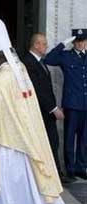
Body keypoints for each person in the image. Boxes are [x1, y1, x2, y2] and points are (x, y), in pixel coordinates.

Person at [0, 19, 71, 204]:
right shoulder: (19, 69)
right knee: (29, 183)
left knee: (8, 183)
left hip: (6, 142)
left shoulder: (2, 79)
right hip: (26, 137)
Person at [22, 33, 73, 184]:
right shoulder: (28, 62)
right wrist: (53, 109)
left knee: (53, 142)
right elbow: (37, 89)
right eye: (44, 44)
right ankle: (53, 175)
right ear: (36, 45)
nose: (46, 46)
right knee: (49, 143)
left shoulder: (39, 61)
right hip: (40, 112)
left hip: (46, 112)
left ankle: (55, 174)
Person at [45, 29, 87, 180]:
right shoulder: (66, 56)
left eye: (83, 41)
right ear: (73, 42)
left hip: (85, 105)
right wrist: (63, 44)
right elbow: (48, 59)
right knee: (69, 138)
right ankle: (70, 168)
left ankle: (80, 168)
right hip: (71, 105)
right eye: (77, 41)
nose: (80, 44)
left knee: (84, 139)